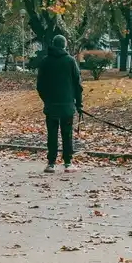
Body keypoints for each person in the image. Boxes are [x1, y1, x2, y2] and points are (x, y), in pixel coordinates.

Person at [36, 33, 83, 172]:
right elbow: (77, 85)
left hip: (51, 105)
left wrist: (47, 100)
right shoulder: (70, 61)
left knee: (52, 134)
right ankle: (68, 163)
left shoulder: (45, 61)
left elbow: (40, 86)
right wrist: (79, 104)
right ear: (64, 45)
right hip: (67, 105)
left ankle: (51, 163)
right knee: (67, 133)